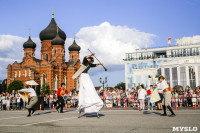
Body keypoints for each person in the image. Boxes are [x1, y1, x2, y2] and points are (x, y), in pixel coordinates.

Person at [76, 53, 104, 118]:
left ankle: (92, 103)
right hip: (83, 75)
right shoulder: (85, 62)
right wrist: (91, 55)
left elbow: (95, 65)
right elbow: (85, 57)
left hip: (86, 75)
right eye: (90, 60)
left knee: (90, 87)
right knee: (85, 88)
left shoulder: (89, 64)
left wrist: (100, 64)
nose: (90, 61)